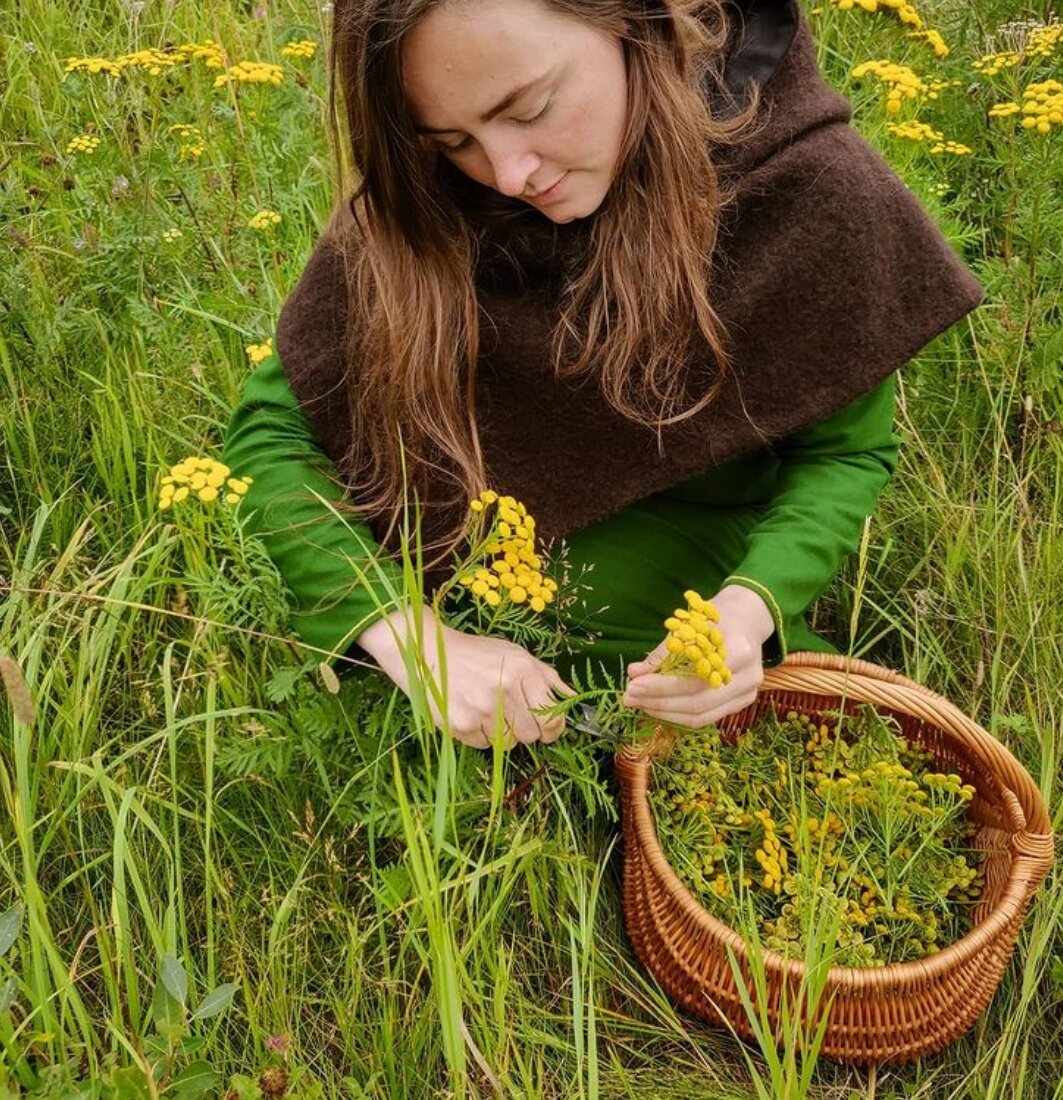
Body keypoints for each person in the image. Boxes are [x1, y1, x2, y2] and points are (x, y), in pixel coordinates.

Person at [222, 0, 983, 751]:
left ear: (634, 20)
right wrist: (407, 637)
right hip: (434, 726)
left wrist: (749, 612)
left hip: (705, 719)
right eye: (453, 138)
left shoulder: (810, 193)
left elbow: (841, 454)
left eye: (531, 107)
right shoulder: (417, 212)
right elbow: (273, 434)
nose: (508, 175)